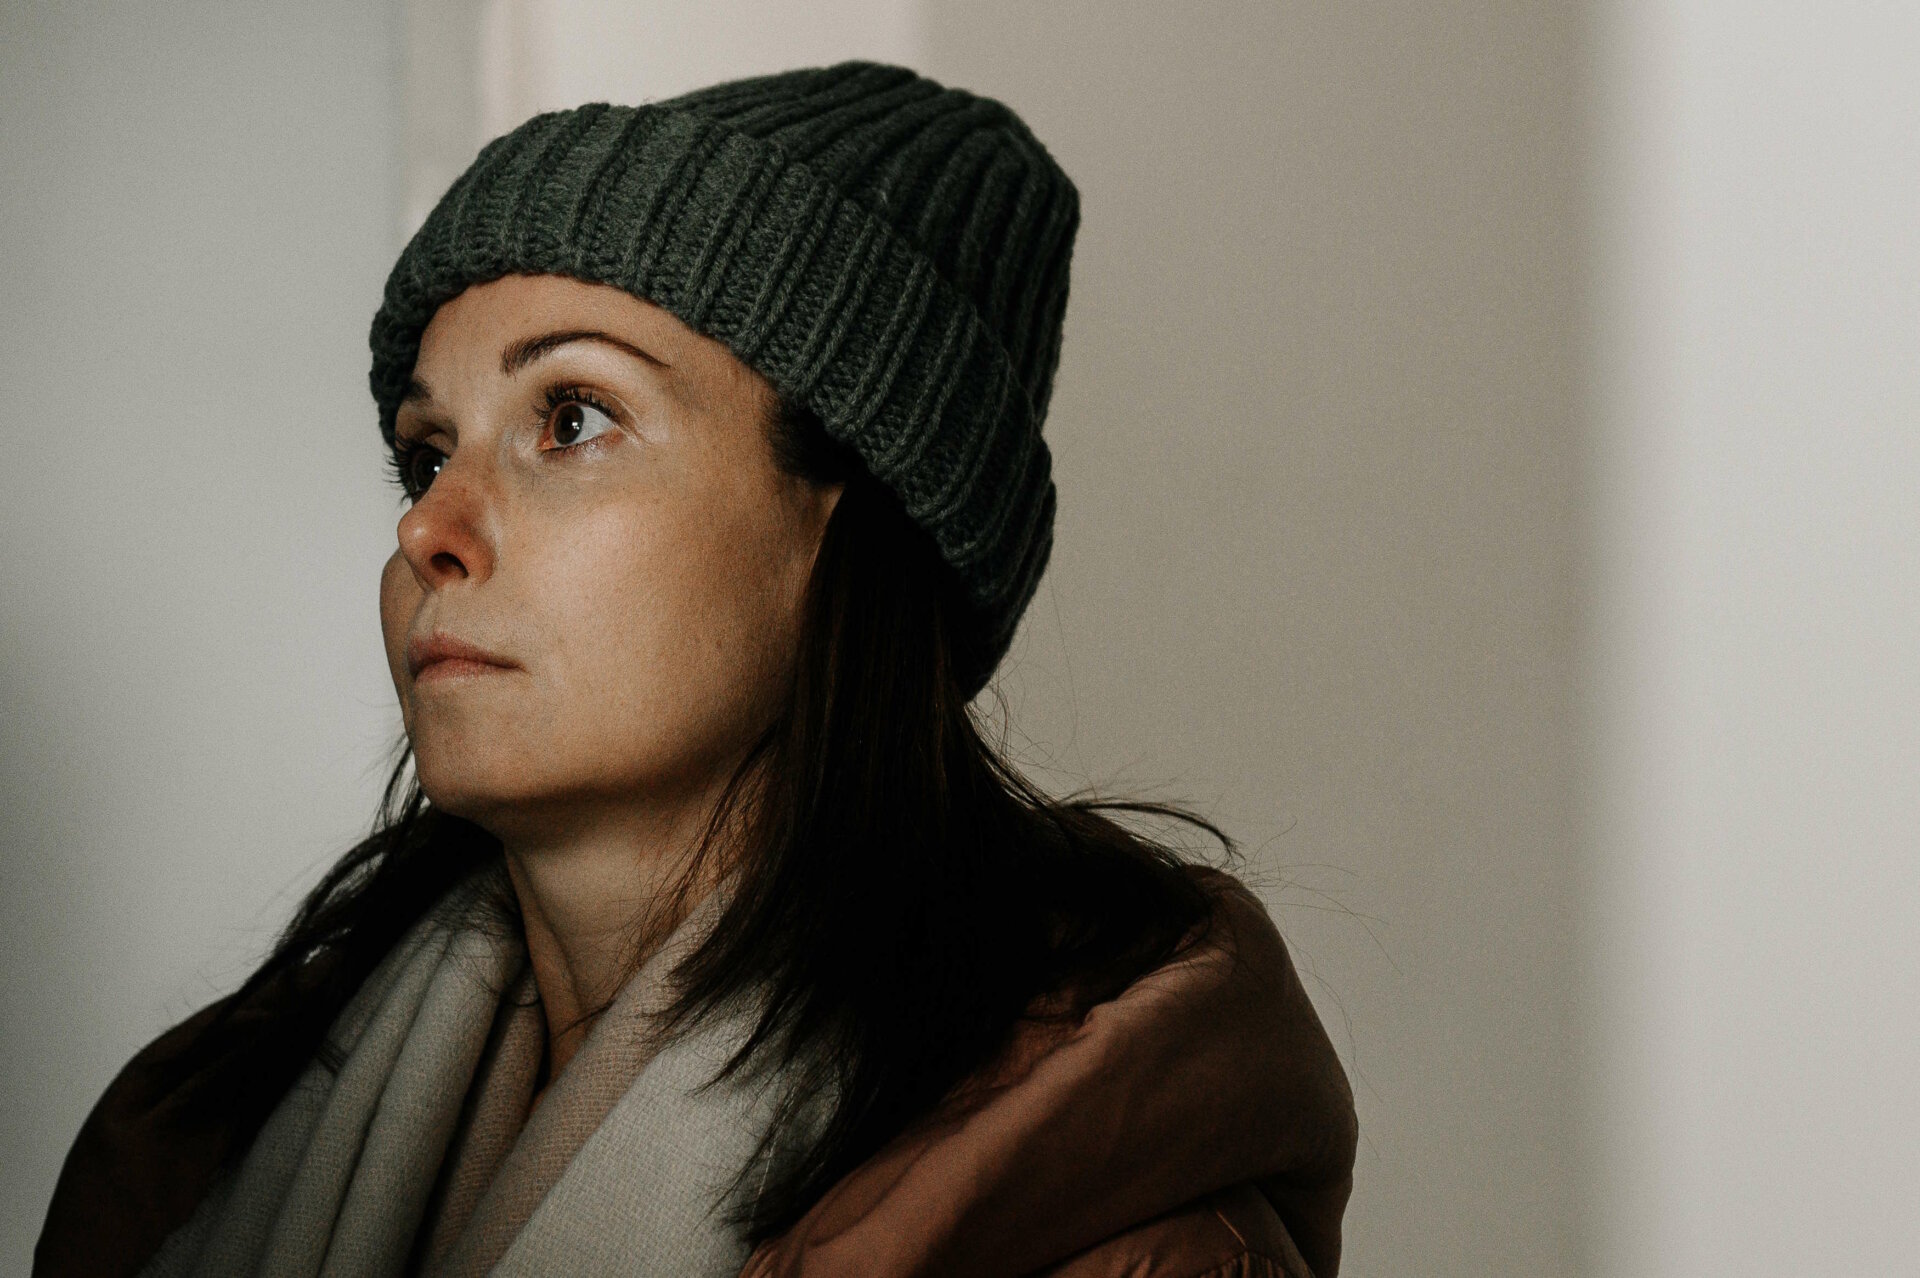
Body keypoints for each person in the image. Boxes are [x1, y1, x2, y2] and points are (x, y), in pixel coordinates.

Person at [35, 61, 1356, 1278]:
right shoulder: (194, 1144)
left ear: (848, 533)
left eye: (571, 419)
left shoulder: (1134, 1248)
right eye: (428, 452)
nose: (428, 529)